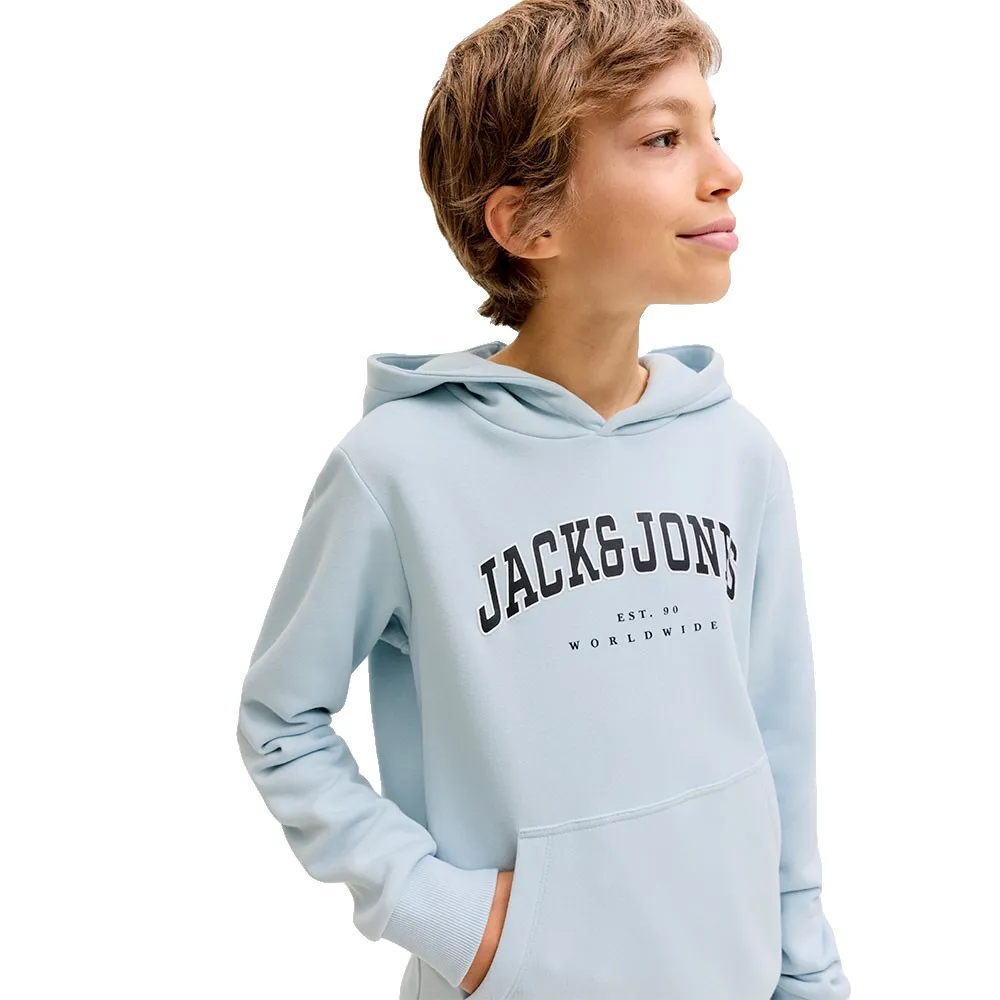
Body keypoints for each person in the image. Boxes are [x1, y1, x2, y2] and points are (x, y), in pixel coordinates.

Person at [235, 1, 853, 998]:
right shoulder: (398, 469)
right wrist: (447, 916)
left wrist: (808, 973)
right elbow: (280, 722)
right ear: (529, 221)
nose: (725, 170)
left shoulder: (737, 453)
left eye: (713, 128)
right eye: (663, 138)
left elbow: (780, 739)